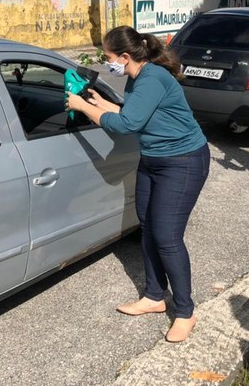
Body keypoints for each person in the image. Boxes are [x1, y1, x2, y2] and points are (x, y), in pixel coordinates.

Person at [66, 26, 209, 343]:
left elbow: (127, 124)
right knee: (147, 224)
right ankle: (155, 297)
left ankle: (185, 312)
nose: (107, 61)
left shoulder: (152, 78)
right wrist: (99, 101)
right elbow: (130, 113)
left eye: (109, 56)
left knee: (167, 237)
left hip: (183, 161)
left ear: (126, 56)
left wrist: (83, 107)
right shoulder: (136, 77)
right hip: (154, 159)